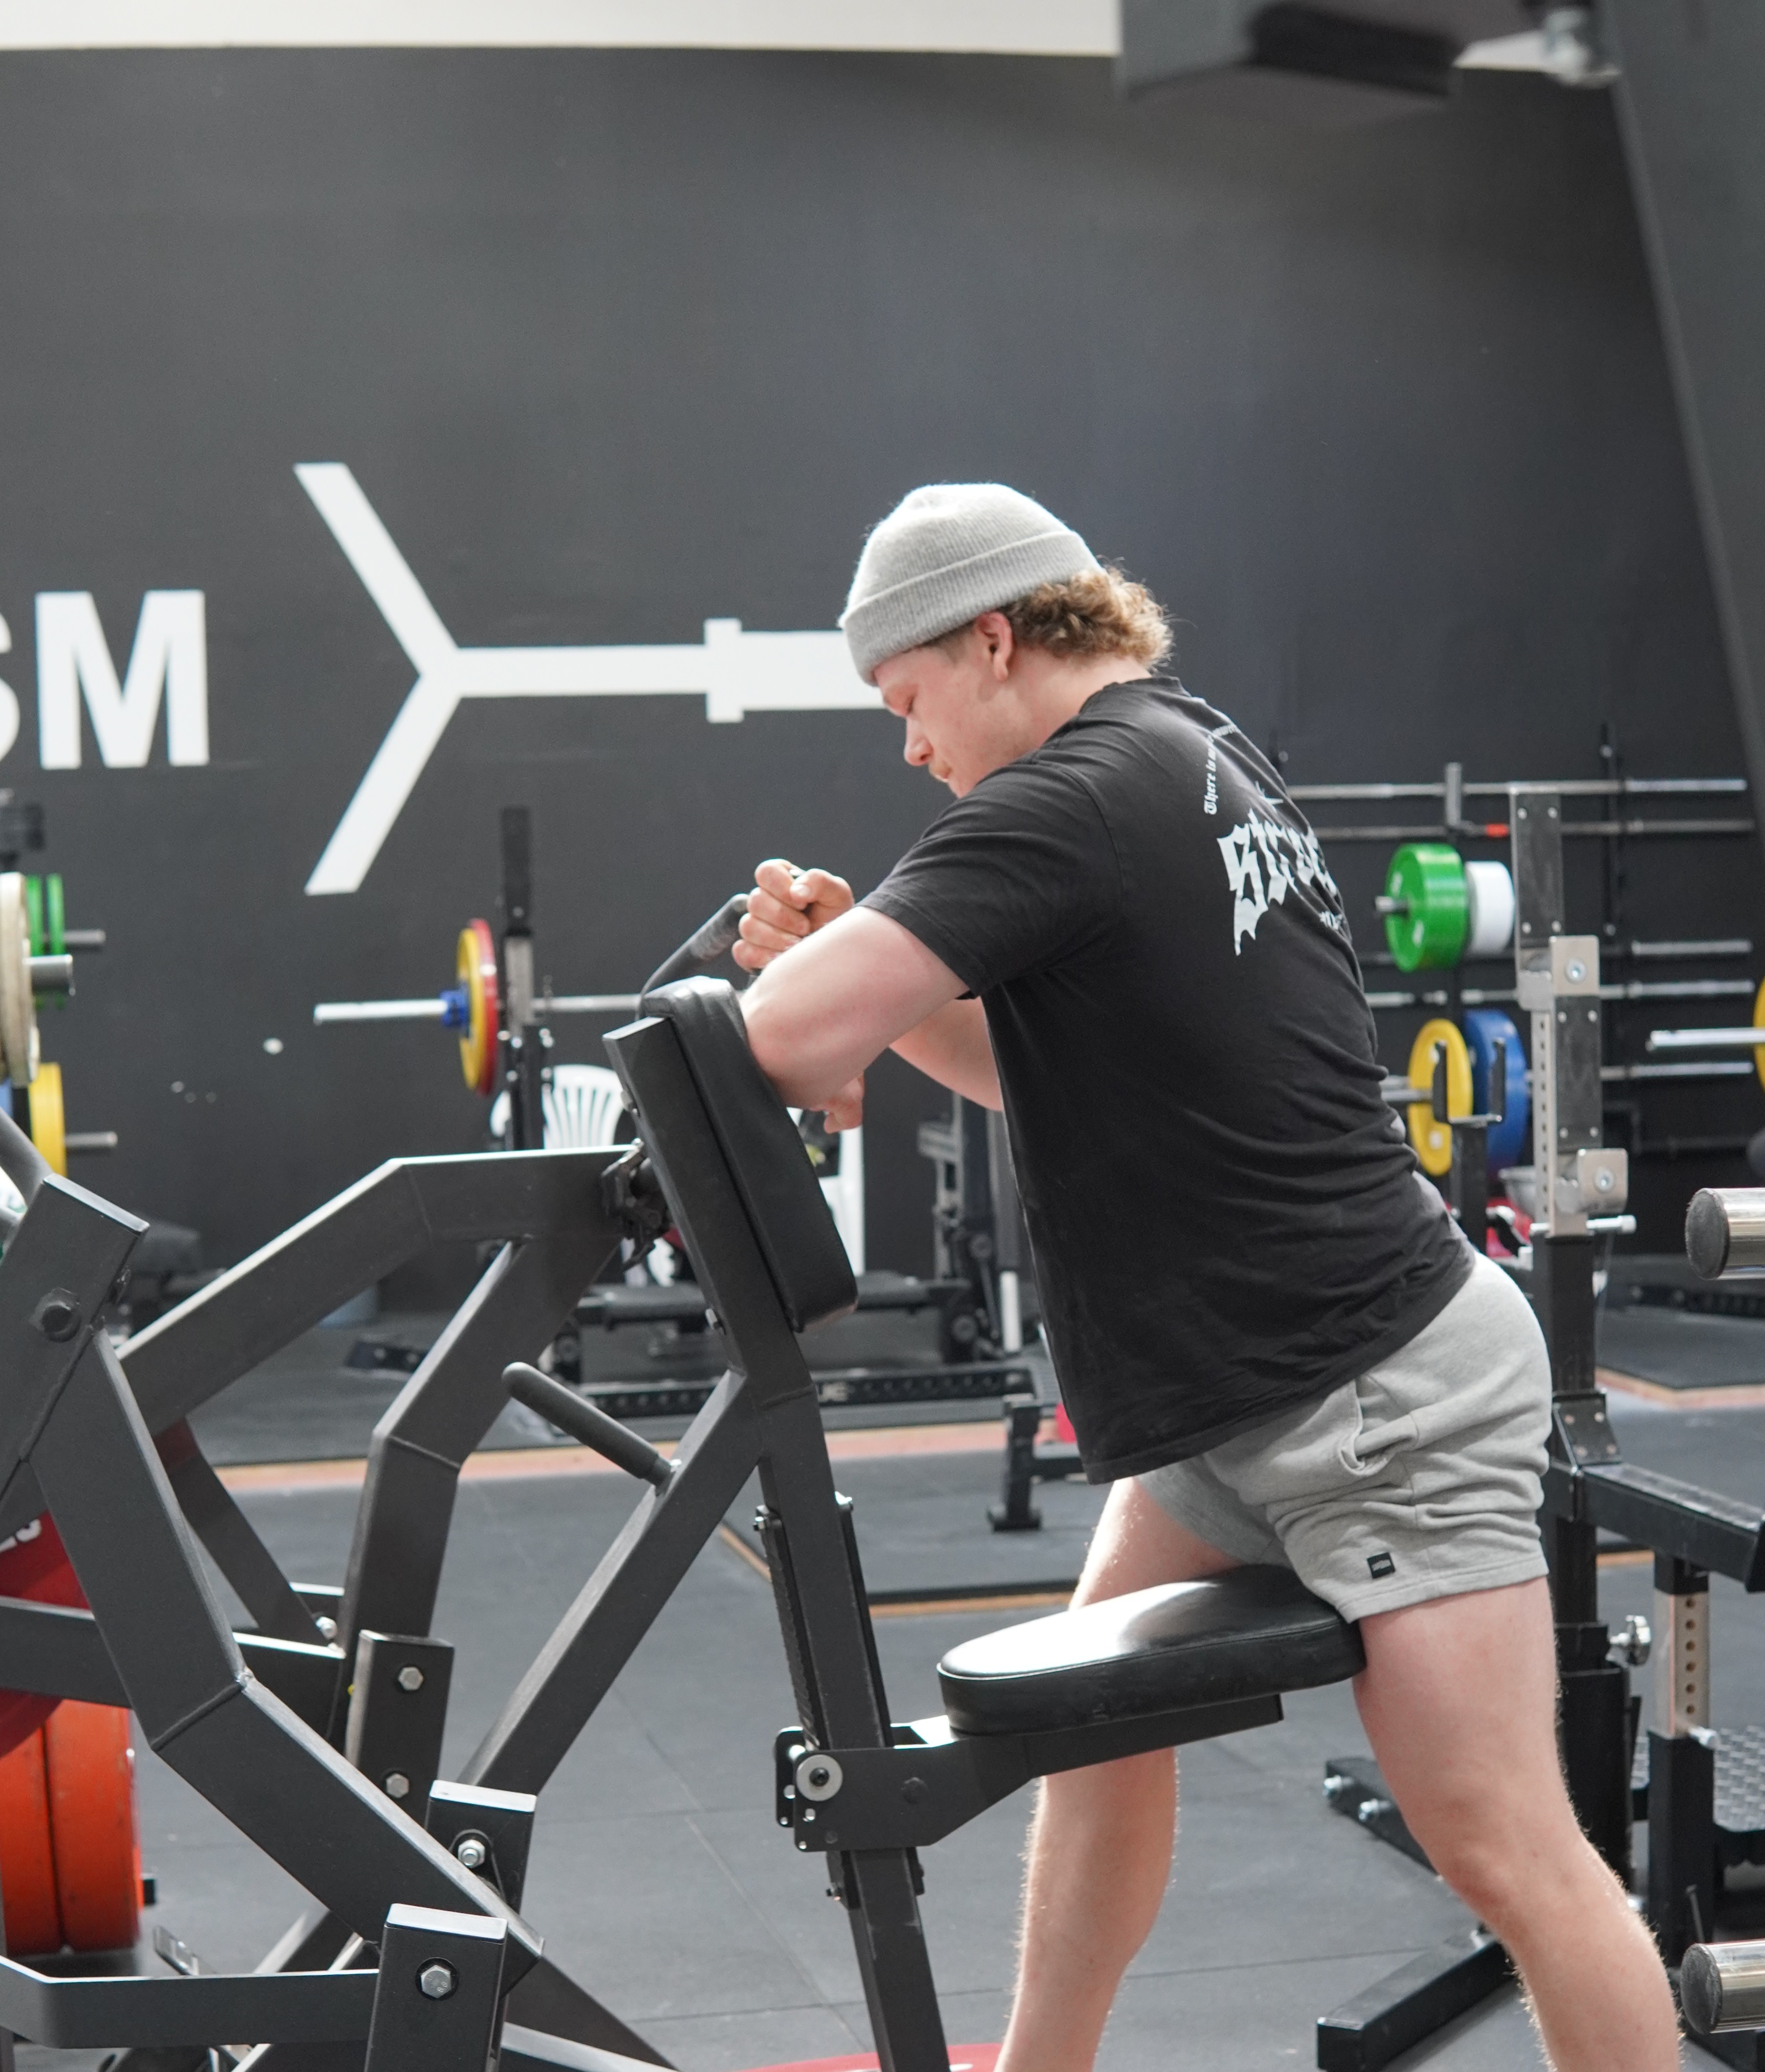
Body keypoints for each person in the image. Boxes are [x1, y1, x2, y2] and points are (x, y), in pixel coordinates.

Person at [730, 482, 1678, 2072]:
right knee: (1094, 1728)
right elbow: (1023, 1069)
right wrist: (860, 975)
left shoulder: (1068, 800)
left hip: (1377, 1393)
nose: (910, 747)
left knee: (1506, 1844)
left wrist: (817, 971)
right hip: (1245, 1392)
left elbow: (778, 1037)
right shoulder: (1187, 749)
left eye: (906, 701)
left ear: (991, 639)